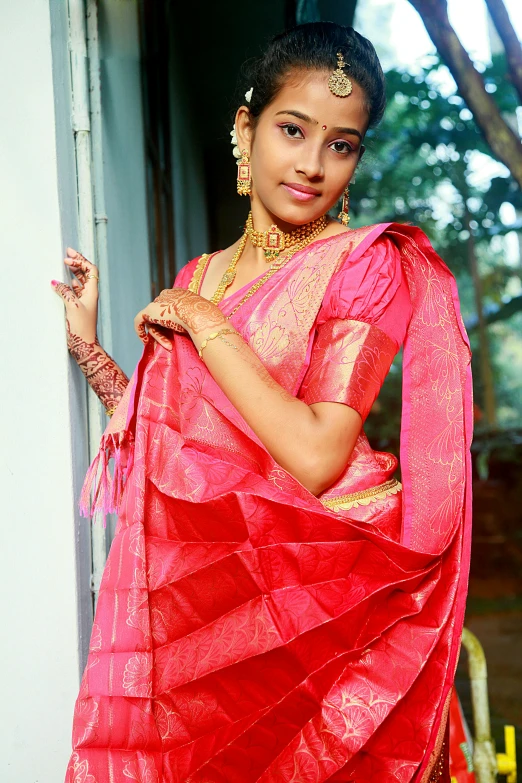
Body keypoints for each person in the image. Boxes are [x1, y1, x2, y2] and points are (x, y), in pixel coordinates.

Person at [54, 22, 472, 783]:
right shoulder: (202, 274)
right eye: (292, 130)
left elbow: (314, 455)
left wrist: (206, 323)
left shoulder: (363, 267)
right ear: (246, 129)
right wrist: (92, 347)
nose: (312, 164)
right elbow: (176, 448)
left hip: (337, 618)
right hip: (220, 618)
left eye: (340, 145)